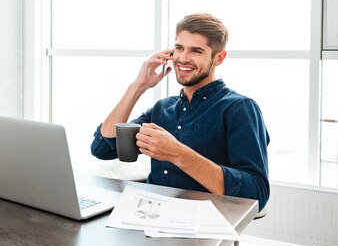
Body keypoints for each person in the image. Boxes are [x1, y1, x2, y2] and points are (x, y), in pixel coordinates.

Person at [90, 13, 270, 210]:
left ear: (219, 57)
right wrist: (138, 86)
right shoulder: (162, 108)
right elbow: (102, 148)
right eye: (179, 48)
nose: (183, 58)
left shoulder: (239, 108)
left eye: (196, 51)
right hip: (150, 215)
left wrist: (177, 153)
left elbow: (256, 194)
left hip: (202, 225)